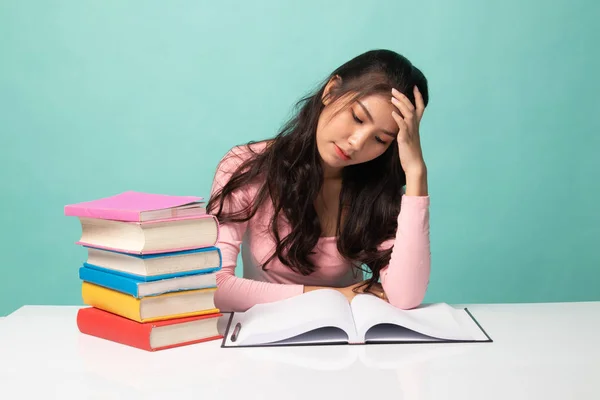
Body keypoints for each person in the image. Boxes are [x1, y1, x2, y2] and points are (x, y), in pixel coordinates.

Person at [207, 49, 430, 313]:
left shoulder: (376, 190)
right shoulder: (246, 167)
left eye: (380, 139)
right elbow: (214, 287)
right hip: (265, 336)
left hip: (346, 341)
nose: (357, 143)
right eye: (357, 117)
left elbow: (406, 297)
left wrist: (416, 173)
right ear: (331, 91)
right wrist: (334, 296)